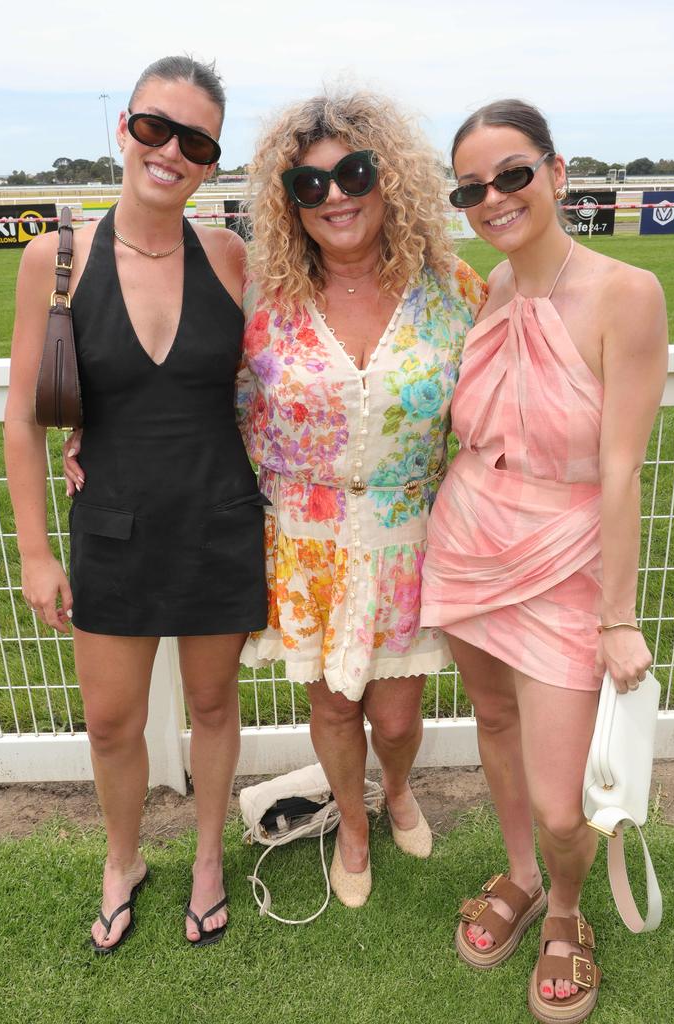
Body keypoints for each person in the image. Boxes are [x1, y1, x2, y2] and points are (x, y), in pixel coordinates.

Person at [5, 55, 268, 952]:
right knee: (112, 720)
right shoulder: (58, 259)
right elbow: (21, 420)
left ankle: (205, 857)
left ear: (211, 160)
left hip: (218, 518)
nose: (171, 152)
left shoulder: (230, 255)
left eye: (196, 140)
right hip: (110, 524)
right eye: (156, 127)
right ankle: (123, 860)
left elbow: (269, 391)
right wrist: (36, 551)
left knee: (212, 707)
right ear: (124, 126)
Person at [421, 99, 667, 1021]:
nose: (493, 197)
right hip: (470, 540)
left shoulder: (624, 293)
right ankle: (521, 875)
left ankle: (567, 907)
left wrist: (617, 615)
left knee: (567, 804)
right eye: (472, 186)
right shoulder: (489, 287)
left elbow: (621, 466)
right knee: (493, 719)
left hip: (565, 563)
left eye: (513, 174)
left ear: (558, 173)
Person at [237, 91, 486, 906]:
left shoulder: (452, 293)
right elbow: (218, 402)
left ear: (390, 180)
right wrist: (87, 435)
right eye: (309, 186)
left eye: (353, 173)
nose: (335, 195)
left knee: (398, 717)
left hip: (404, 538)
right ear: (289, 204)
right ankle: (351, 818)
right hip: (305, 546)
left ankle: (400, 787)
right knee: (335, 710)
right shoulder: (263, 303)